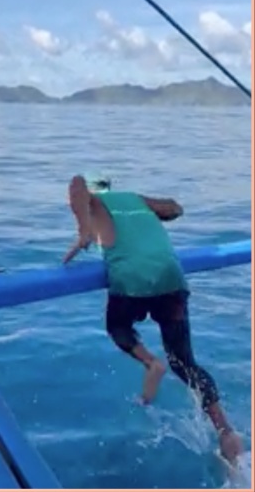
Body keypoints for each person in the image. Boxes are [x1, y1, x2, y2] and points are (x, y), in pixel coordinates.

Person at [63, 173, 243, 466]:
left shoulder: (93, 201)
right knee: (184, 362)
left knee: (117, 325)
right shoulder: (135, 200)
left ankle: (150, 363)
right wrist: (150, 213)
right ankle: (227, 433)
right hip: (172, 278)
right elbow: (174, 207)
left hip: (133, 279)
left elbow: (77, 183)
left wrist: (83, 231)